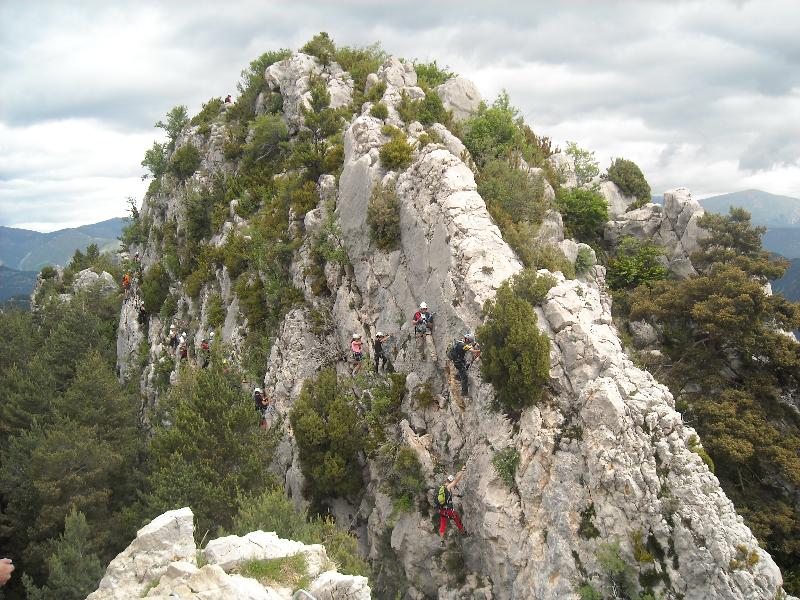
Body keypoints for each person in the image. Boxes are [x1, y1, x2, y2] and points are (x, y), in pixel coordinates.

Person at [436, 466, 467, 540]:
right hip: (449, 511)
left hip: (442, 511)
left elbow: (449, 495)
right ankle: (464, 534)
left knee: (442, 525)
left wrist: (458, 495)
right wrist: (462, 471)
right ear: (451, 481)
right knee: (457, 521)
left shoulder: (442, 487)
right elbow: (456, 480)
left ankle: (441, 541)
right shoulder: (449, 486)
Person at [449, 332, 481, 397]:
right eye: (469, 341)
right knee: (464, 377)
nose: (469, 342)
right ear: (467, 340)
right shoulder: (463, 345)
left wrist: (473, 344)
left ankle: (458, 376)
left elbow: (468, 347)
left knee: (465, 366)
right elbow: (472, 350)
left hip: (457, 360)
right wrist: (480, 350)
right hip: (458, 362)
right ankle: (464, 392)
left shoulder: (459, 342)